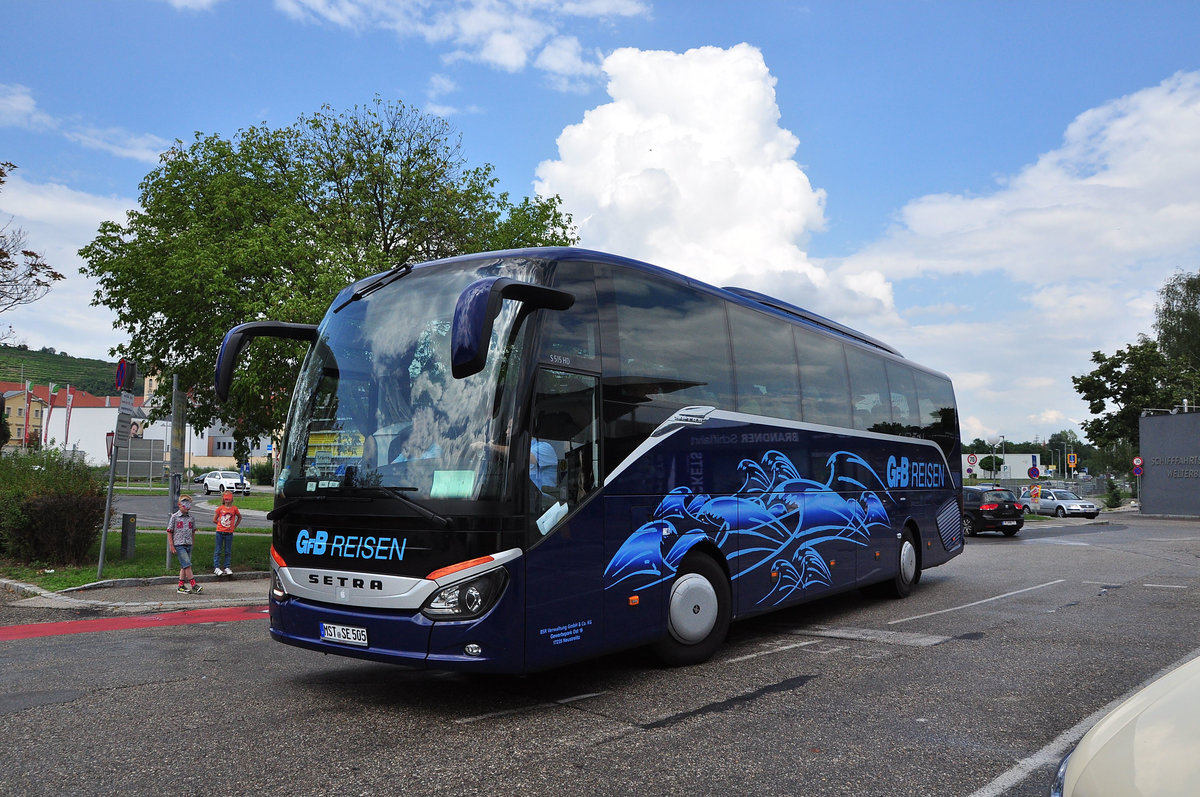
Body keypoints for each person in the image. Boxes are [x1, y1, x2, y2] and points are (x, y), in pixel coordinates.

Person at [168, 495, 202, 594]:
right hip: (179, 544)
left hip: (188, 544)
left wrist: (192, 543)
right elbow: (169, 531)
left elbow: (193, 531)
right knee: (187, 564)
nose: (186, 506)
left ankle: (181, 586)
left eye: (188, 504)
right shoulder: (174, 517)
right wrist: (171, 545)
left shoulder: (191, 518)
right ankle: (193, 584)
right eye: (184, 503)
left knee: (184, 565)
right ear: (179, 505)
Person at [212, 491, 241, 576]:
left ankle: (227, 567)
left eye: (229, 498)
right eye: (226, 498)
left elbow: (239, 517)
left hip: (229, 533)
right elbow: (214, 519)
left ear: (232, 499)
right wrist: (221, 524)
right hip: (220, 532)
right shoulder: (220, 508)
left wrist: (234, 526)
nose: (227, 500)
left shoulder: (234, 509)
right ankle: (216, 567)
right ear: (223, 499)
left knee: (228, 551)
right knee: (218, 550)